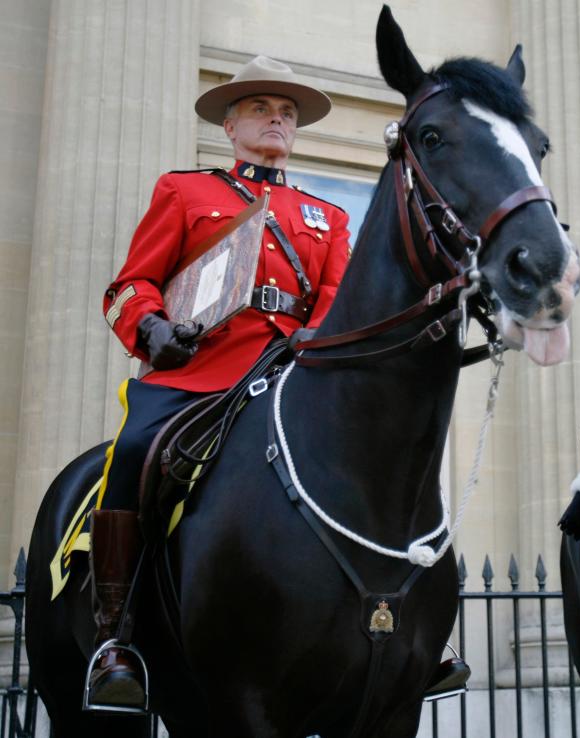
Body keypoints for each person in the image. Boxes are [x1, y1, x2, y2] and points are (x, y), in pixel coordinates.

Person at [87, 55, 351, 710]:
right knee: (133, 452)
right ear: (231, 126)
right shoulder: (186, 192)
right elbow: (131, 285)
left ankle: (404, 627)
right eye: (262, 108)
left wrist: (314, 340)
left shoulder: (327, 214)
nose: (277, 120)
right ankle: (113, 636)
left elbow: (338, 296)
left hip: (292, 372)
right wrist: (149, 331)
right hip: (202, 371)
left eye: (287, 113)